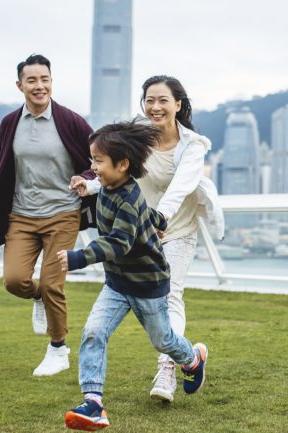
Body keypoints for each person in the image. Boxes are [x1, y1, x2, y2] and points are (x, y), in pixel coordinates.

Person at [71, 75, 223, 403]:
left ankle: (168, 368)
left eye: (163, 100)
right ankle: (188, 356)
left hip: (175, 230)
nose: (155, 107)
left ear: (178, 105)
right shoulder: (137, 136)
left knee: (171, 298)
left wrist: (162, 221)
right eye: (149, 100)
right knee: (126, 306)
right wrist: (91, 185)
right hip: (136, 231)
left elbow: (180, 187)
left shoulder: (192, 145)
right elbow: (114, 168)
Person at [0, 54, 95, 377]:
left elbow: (97, 159)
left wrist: (85, 176)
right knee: (15, 281)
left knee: (54, 284)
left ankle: (58, 348)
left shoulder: (71, 121)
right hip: (22, 216)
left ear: (52, 82)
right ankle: (39, 297)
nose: (39, 86)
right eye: (32, 80)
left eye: (45, 79)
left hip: (63, 213)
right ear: (20, 85)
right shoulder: (10, 123)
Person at [58, 121, 208, 432]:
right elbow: (143, 214)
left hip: (148, 285)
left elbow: (118, 242)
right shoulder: (110, 190)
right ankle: (93, 403)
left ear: (122, 164)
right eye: (92, 159)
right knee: (93, 331)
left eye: (98, 160)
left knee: (163, 340)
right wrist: (156, 219)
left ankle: (192, 360)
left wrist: (77, 257)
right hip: (116, 284)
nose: (93, 166)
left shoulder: (127, 197)